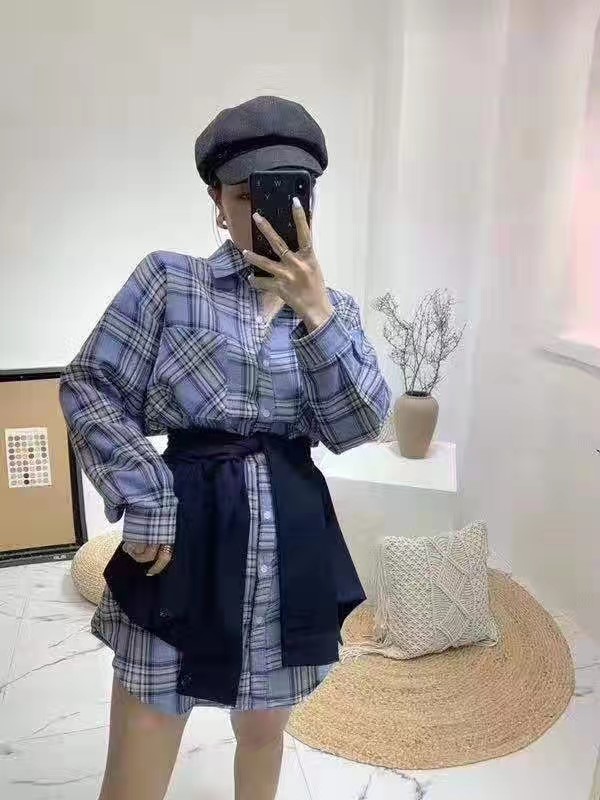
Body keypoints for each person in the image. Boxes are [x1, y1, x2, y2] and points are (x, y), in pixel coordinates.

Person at [59, 95, 391, 800]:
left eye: (293, 194)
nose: (270, 214)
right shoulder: (169, 282)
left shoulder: (335, 312)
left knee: (264, 737)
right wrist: (146, 494)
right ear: (217, 201)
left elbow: (358, 423)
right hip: (182, 544)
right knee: (139, 761)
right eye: (248, 195)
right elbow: (91, 385)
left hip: (287, 553)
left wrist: (316, 311)